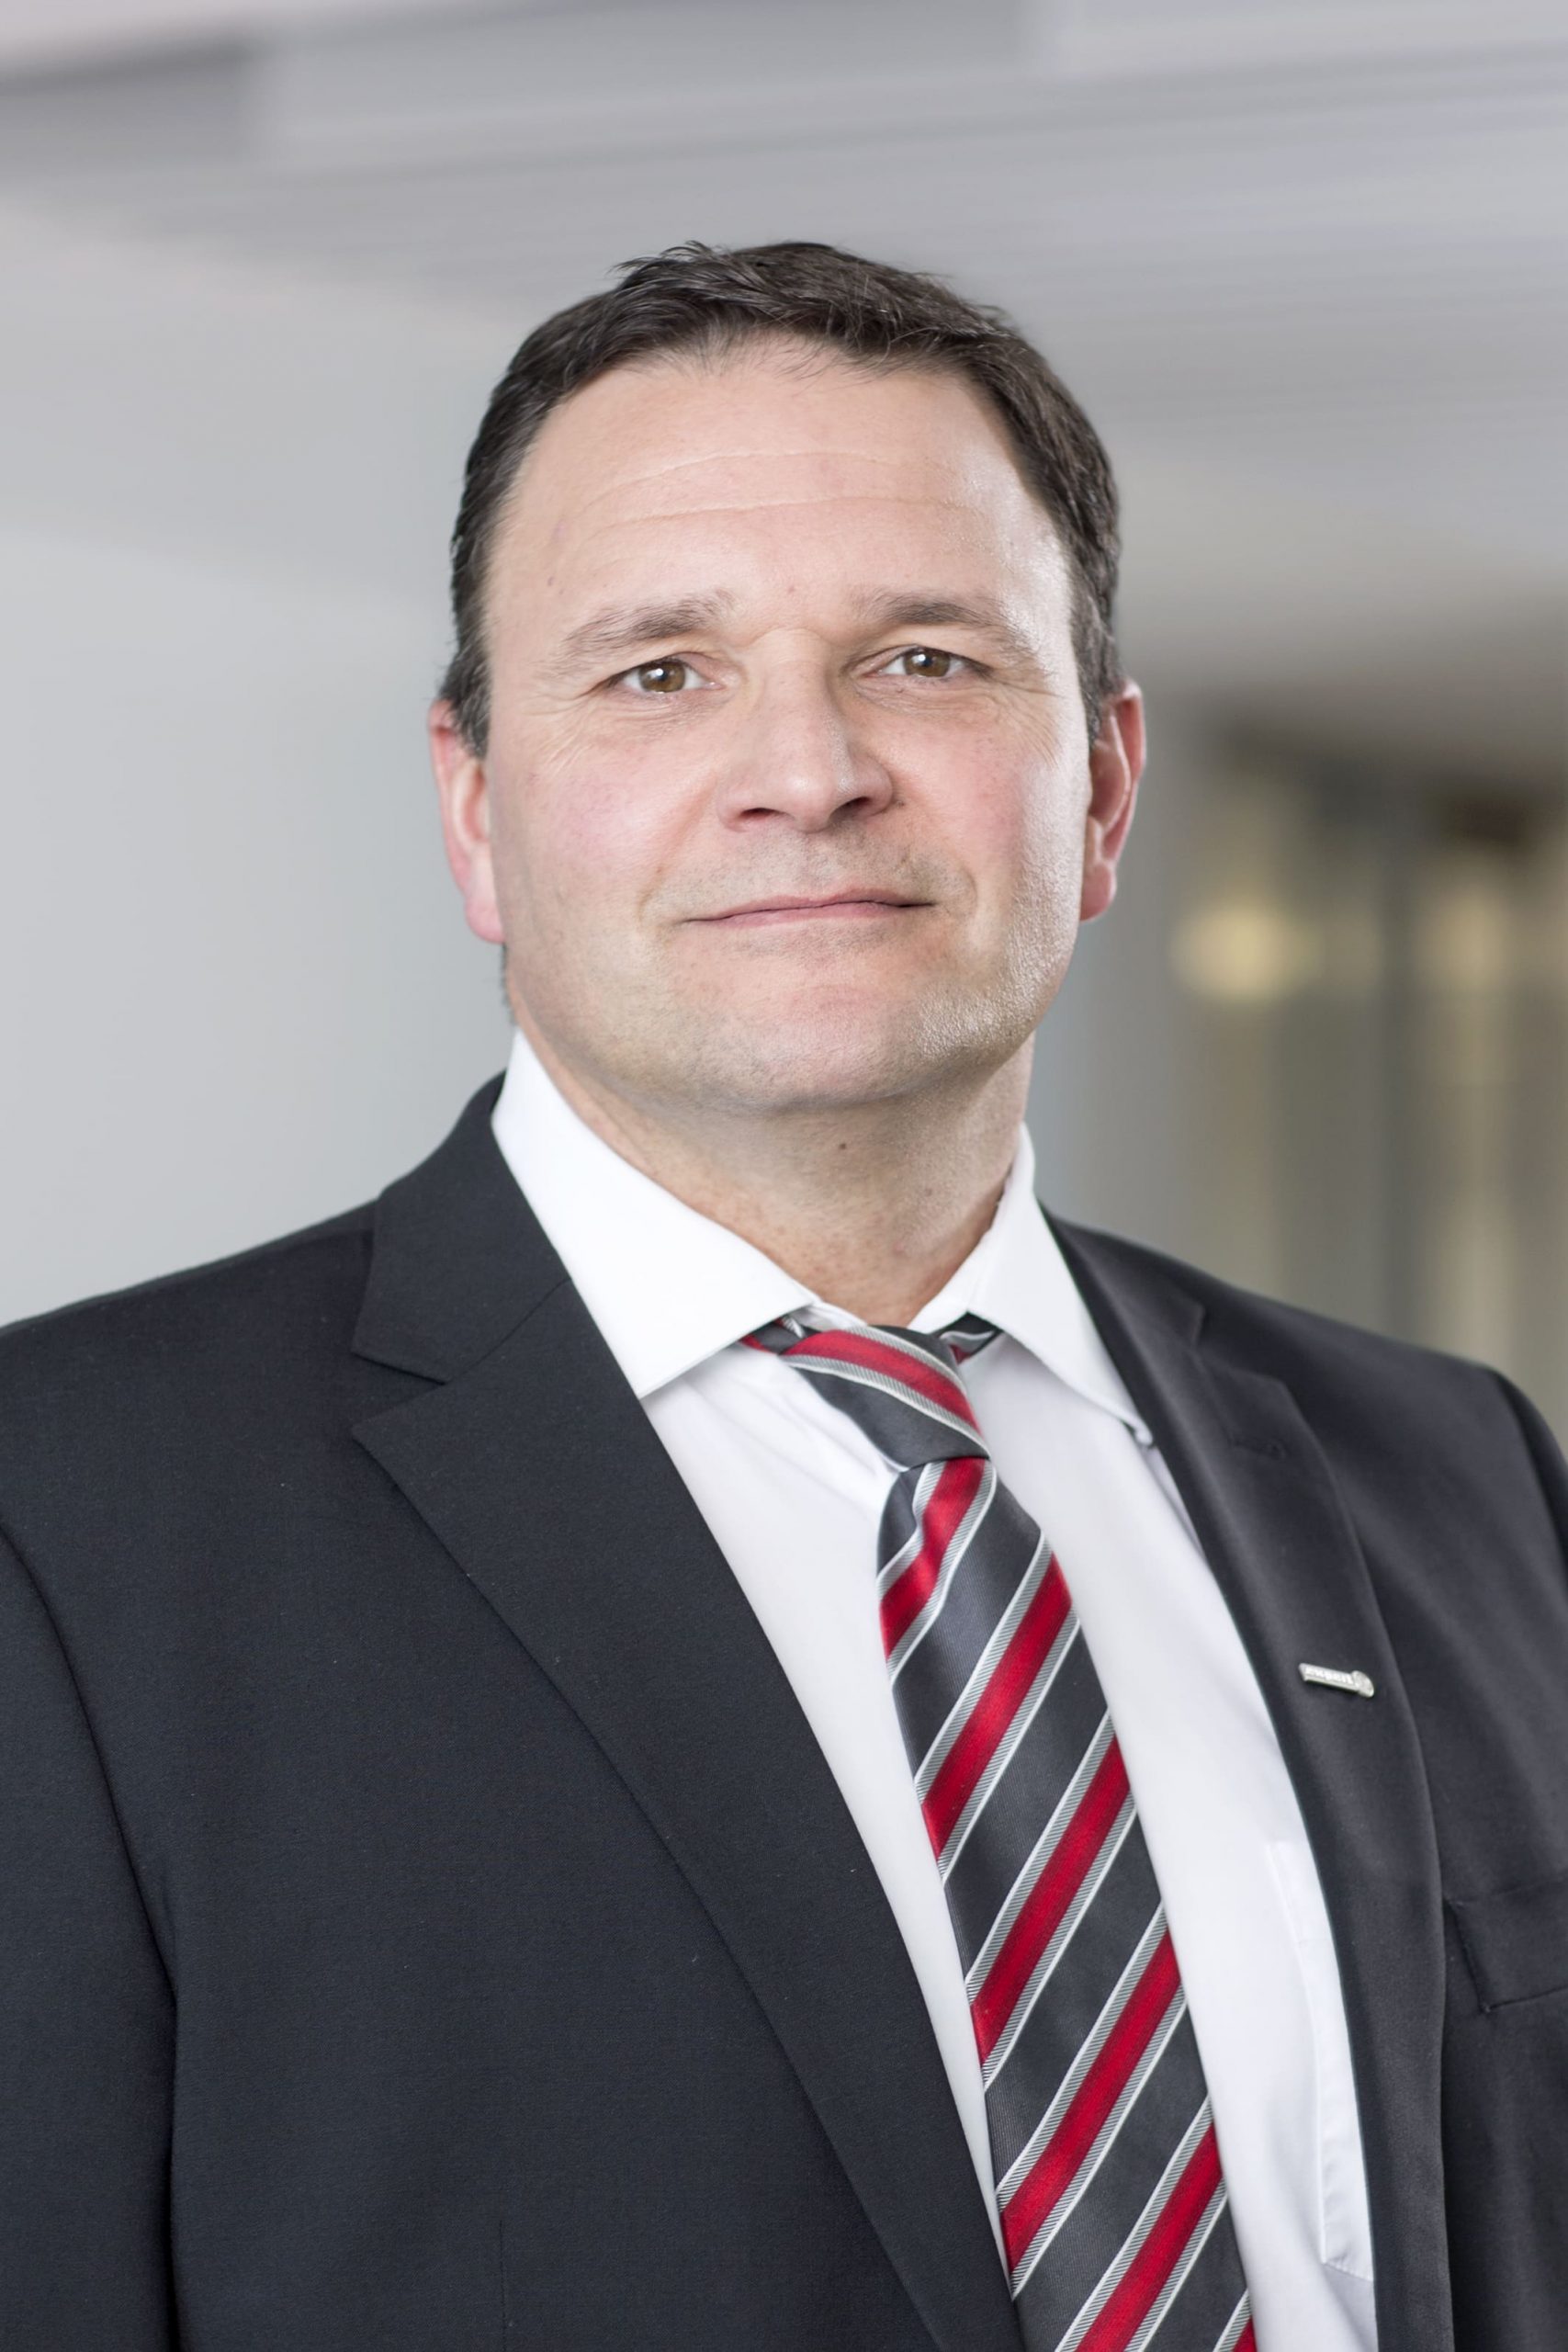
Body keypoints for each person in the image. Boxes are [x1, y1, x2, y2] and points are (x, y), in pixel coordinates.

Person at [1, 241, 1563, 2352]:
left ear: (1101, 788)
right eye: (660, 672)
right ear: (474, 809)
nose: (806, 768)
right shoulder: (66, 1523)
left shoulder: (1453, 1472)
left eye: (922, 657)